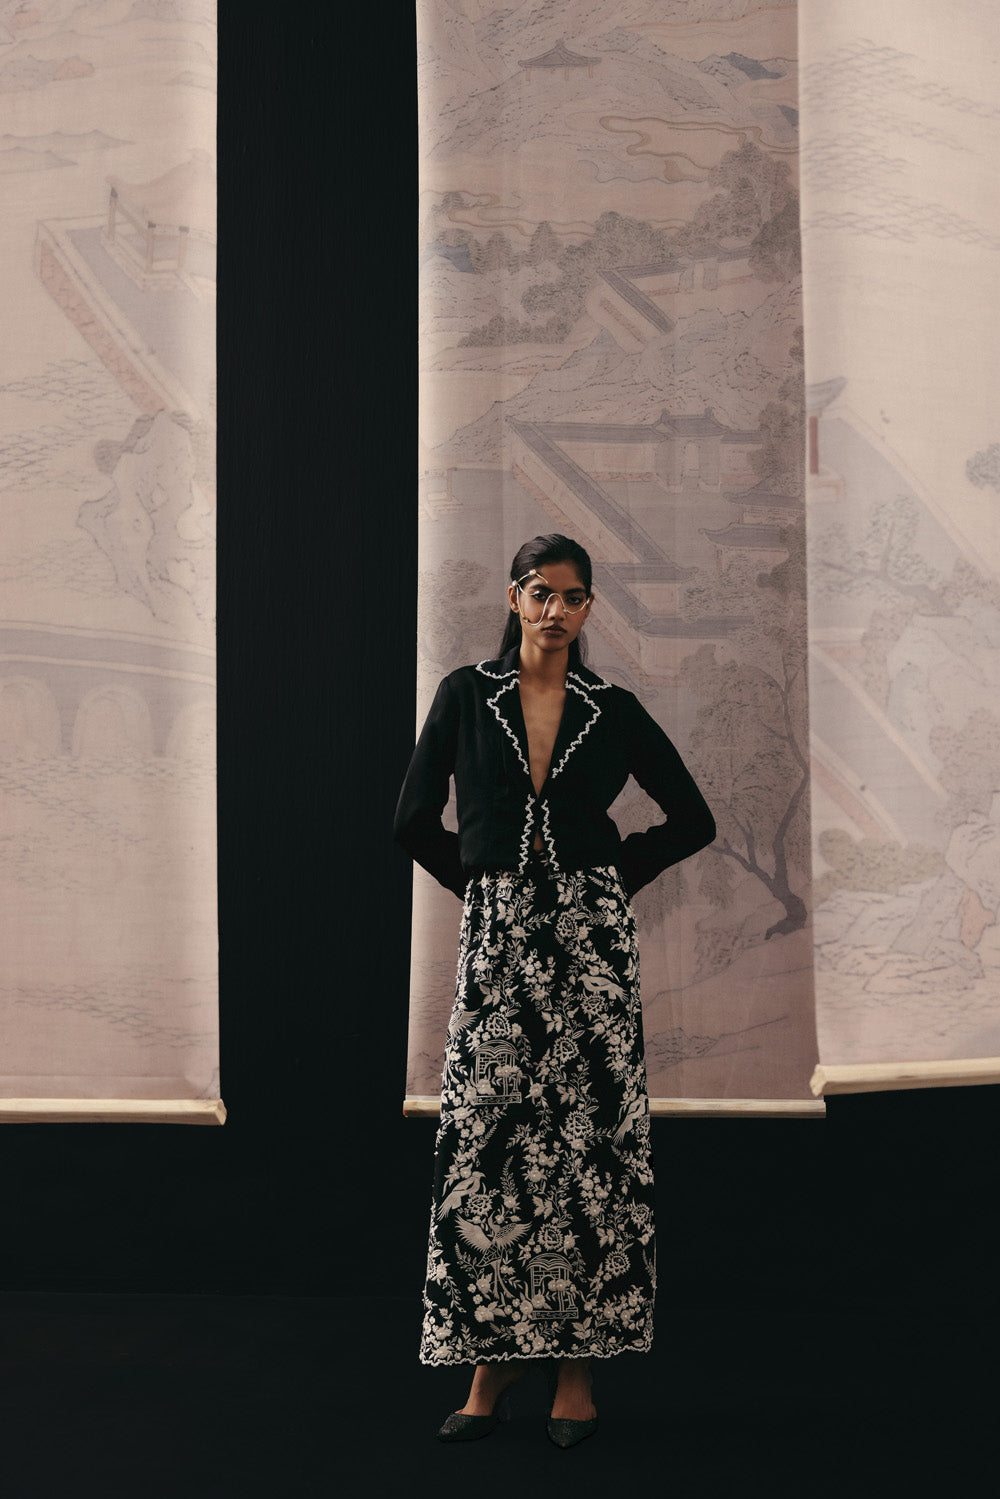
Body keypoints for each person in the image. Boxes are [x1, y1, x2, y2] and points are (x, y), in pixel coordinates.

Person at [394, 534, 715, 1447]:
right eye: (541, 592)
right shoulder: (466, 694)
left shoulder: (612, 709)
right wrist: (485, 883)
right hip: (500, 941)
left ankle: (577, 1370)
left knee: (588, 1145)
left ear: (588, 608)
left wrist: (609, 877)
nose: (556, 611)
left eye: (574, 597)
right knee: (489, 1142)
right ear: (514, 597)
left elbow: (692, 818)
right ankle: (490, 1364)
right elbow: (411, 819)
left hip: (591, 947)